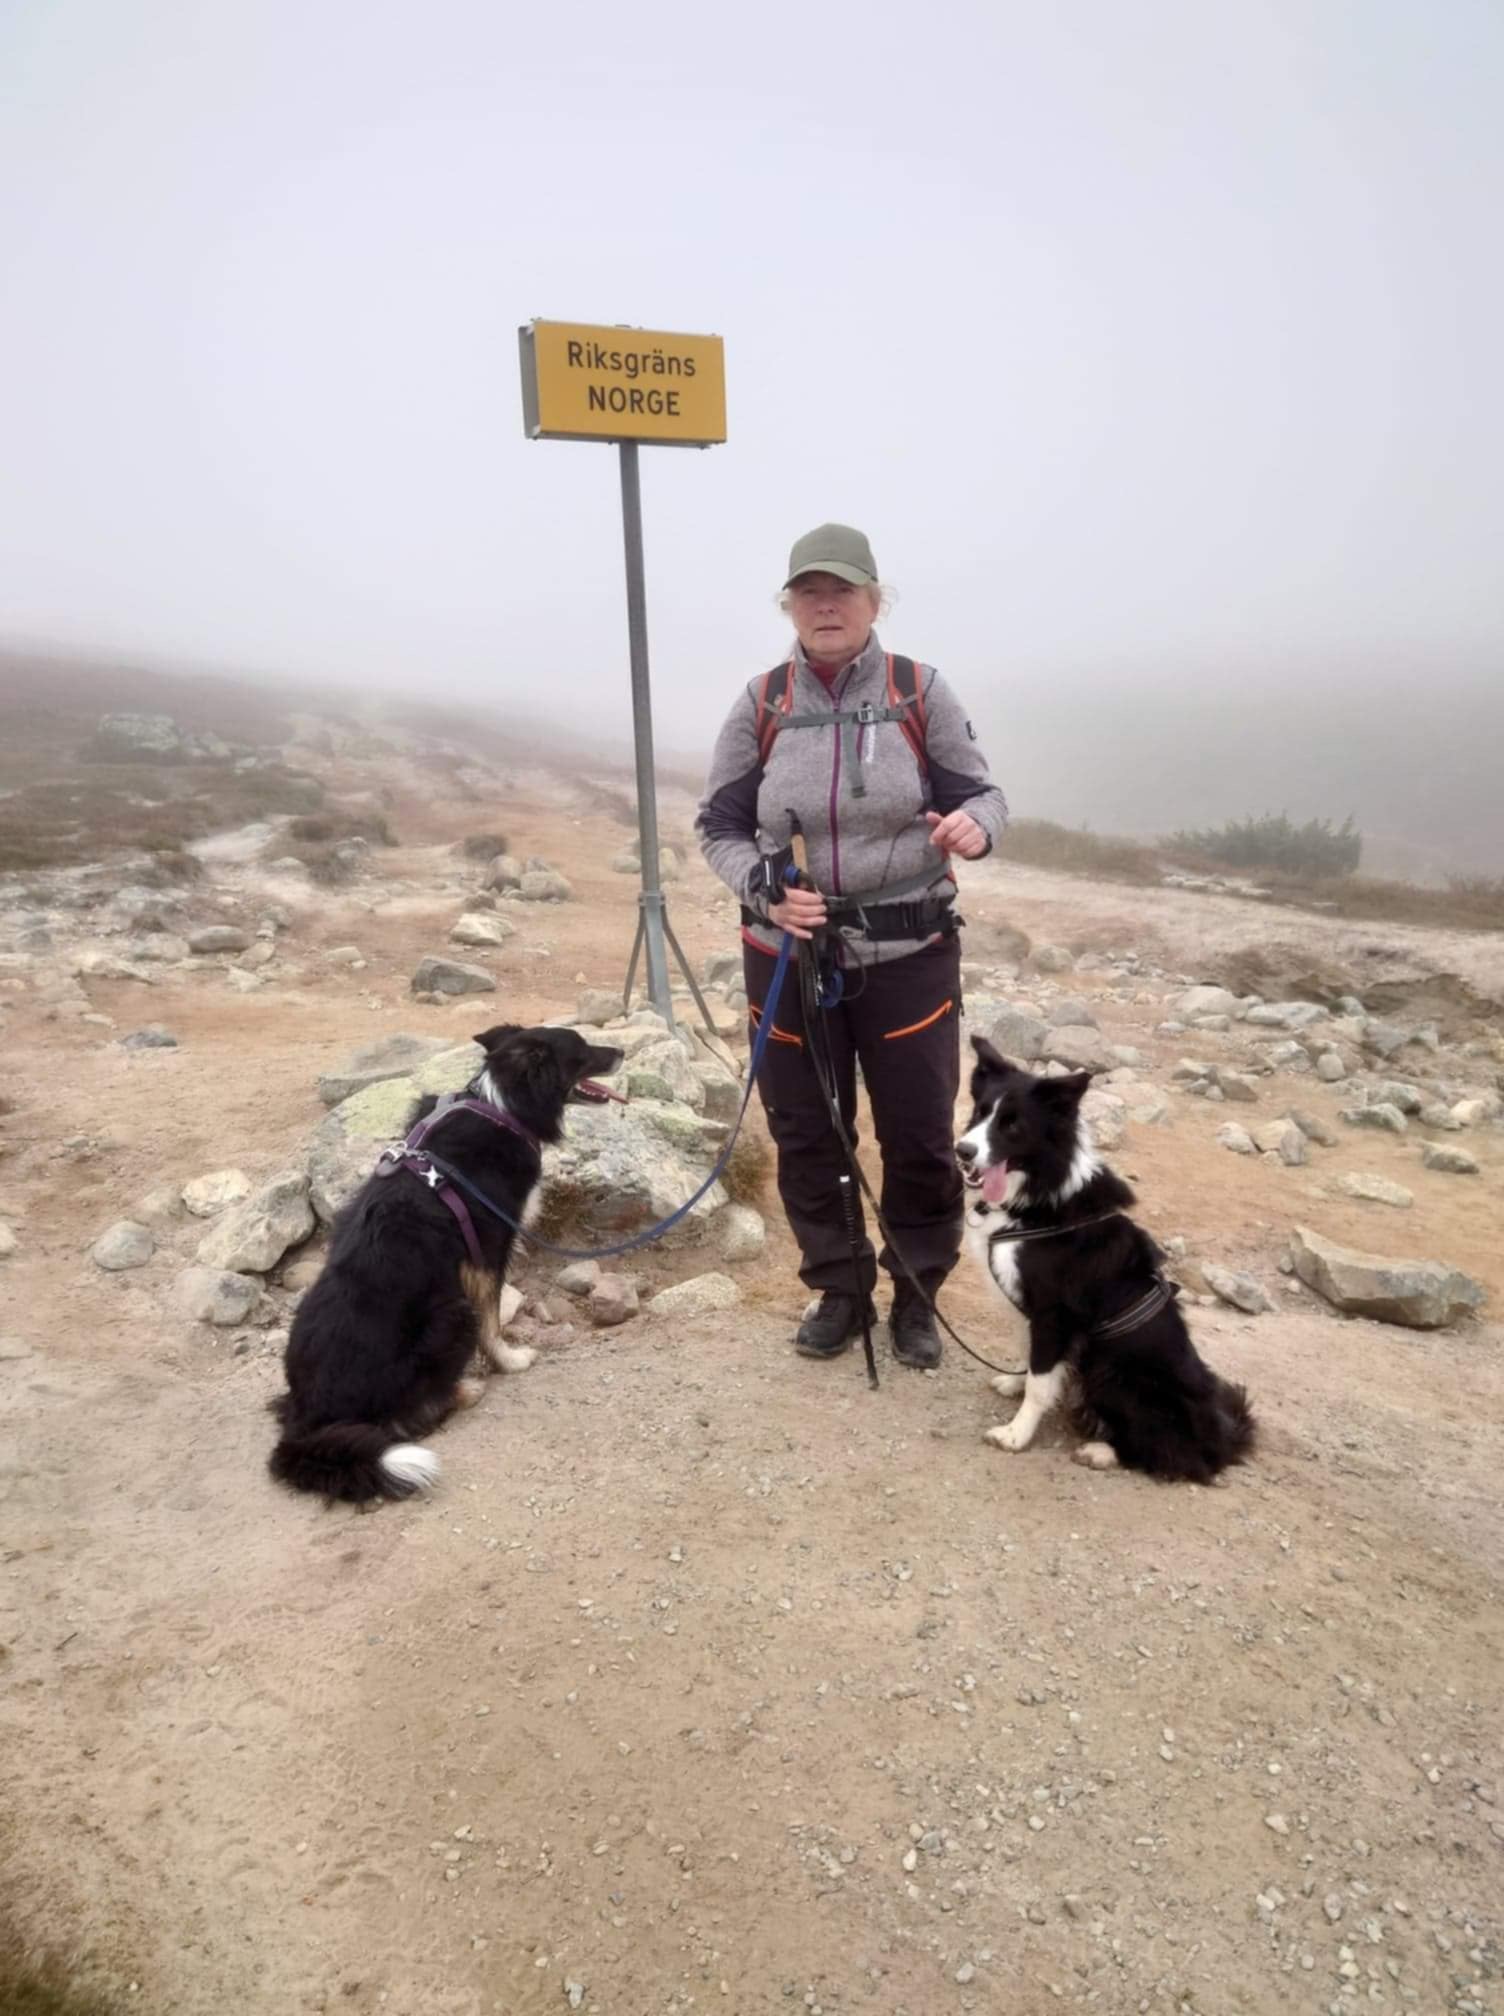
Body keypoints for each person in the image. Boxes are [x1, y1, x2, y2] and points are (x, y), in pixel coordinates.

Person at [696, 523, 1007, 1368]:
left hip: (910, 954)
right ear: (790, 606)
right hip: (788, 955)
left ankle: (916, 1292)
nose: (825, 606)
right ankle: (839, 1290)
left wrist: (975, 828)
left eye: (843, 591)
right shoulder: (762, 702)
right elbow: (719, 825)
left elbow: (983, 795)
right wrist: (762, 886)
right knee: (806, 1130)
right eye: (809, 592)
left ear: (875, 601)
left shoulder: (918, 691)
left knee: (917, 1134)